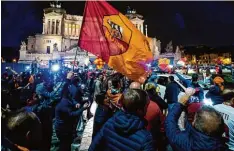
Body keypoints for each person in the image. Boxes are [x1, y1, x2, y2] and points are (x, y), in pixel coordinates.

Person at [89, 89, 155, 151]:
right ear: (139, 110)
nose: (147, 109)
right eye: (146, 106)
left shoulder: (109, 123)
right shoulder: (146, 138)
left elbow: (93, 147)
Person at [55, 84, 89, 151]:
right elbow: (72, 114)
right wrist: (83, 108)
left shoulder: (66, 98)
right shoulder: (63, 104)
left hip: (65, 127)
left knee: (67, 144)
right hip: (63, 129)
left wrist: (76, 103)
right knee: (65, 145)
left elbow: (72, 101)